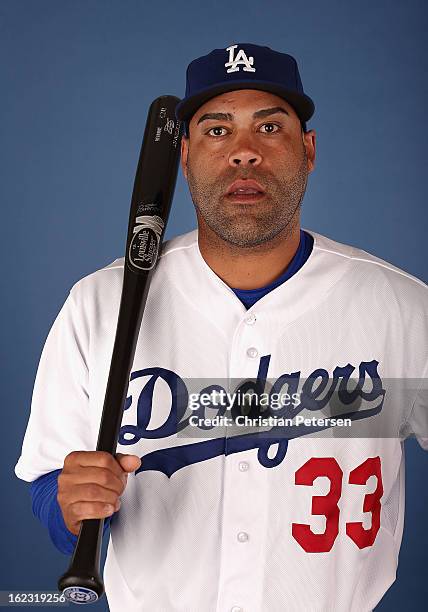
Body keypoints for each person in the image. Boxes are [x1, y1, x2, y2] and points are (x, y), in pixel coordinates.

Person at [15, 43, 428, 612]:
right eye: (216, 130)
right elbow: (48, 485)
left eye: (269, 127)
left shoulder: (401, 309)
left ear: (308, 150)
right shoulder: (99, 304)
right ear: (183, 158)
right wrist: (68, 507)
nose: (244, 153)